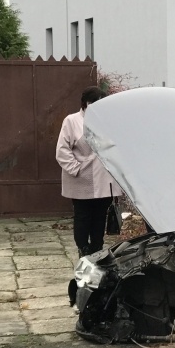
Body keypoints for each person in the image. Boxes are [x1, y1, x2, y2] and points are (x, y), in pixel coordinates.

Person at [56, 86, 122, 257]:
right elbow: (62, 150)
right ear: (86, 103)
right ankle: (83, 248)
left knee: (100, 216)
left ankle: (97, 248)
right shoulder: (72, 121)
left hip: (104, 178)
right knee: (83, 216)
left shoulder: (108, 121)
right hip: (80, 179)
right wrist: (76, 169)